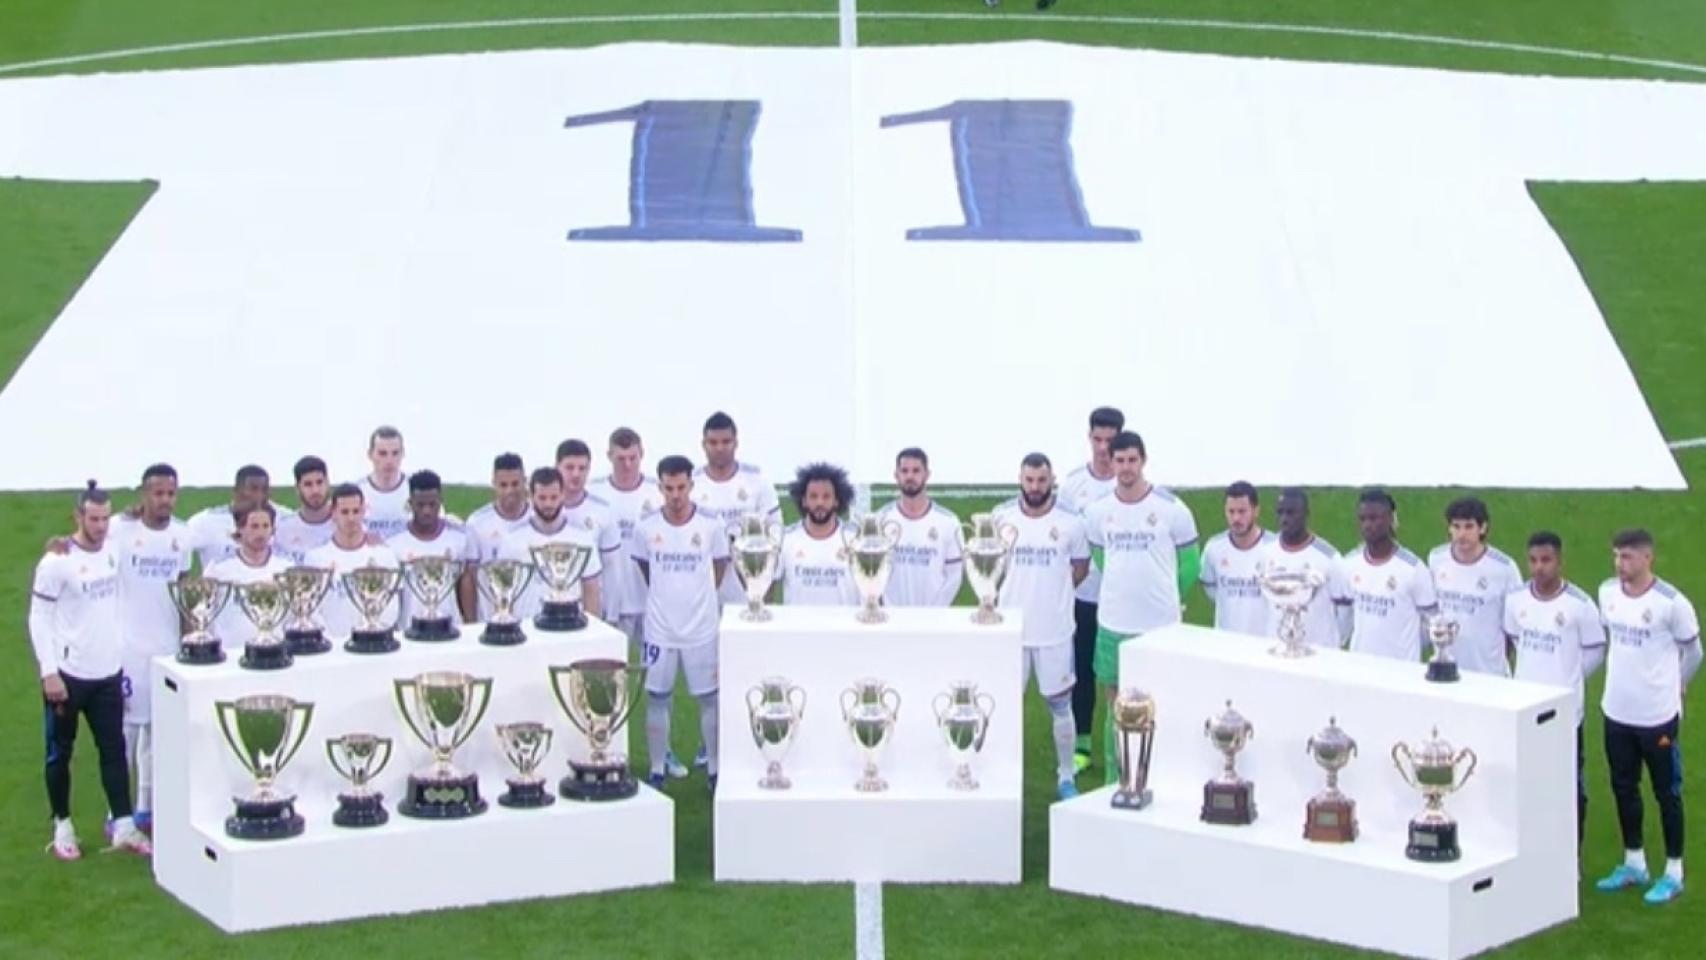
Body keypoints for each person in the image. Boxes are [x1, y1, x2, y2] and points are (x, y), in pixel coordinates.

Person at [30, 483, 152, 859]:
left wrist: (133, 510)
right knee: (59, 753)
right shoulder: (57, 562)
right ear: (77, 517)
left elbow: (127, 520)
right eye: (93, 519)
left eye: (104, 518)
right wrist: (48, 671)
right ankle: (63, 826)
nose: (100, 526)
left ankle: (124, 825)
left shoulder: (113, 547)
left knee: (114, 750)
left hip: (108, 674)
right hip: (68, 676)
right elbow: (39, 617)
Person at [1083, 431, 1198, 785]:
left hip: (1159, 625)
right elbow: (1101, 558)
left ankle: (1160, 770)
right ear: (1111, 462)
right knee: (1115, 701)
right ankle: (1115, 776)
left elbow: (1190, 563)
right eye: (1120, 460)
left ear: (1143, 461)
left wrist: (1167, 596)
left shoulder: (1171, 509)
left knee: (1160, 700)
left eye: (1132, 460)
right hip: (1114, 621)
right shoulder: (1099, 511)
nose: (1126, 467)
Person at [1593, 529, 1700, 905]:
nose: (1620, 564)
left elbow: (1694, 652)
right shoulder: (1607, 593)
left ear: (1647, 558)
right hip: (1617, 711)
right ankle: (1634, 861)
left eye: (1627, 557)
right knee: (1624, 787)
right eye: (1617, 556)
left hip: (1657, 716)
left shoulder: (1671, 603)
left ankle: (1673, 871)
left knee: (1666, 792)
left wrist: (1677, 686)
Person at [992, 453, 1089, 799]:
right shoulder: (1000, 517)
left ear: (1052, 481)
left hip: (1054, 632)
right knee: (1003, 703)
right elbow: (992, 569)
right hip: (1011, 631)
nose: (1035, 487)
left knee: (1060, 704)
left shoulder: (1071, 523)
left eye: (1042, 481)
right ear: (1020, 479)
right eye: (1030, 480)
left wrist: (1055, 598)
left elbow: (1080, 567)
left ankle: (1066, 776)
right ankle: (1000, 771)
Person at [633, 456, 729, 793]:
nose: (675, 495)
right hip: (660, 629)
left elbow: (719, 565)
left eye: (681, 487)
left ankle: (715, 768)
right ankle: (658, 767)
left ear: (691, 485)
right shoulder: (645, 528)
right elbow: (646, 569)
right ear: (659, 487)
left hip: (702, 628)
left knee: (709, 699)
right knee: (657, 698)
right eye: (668, 488)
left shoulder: (711, 526)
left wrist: (698, 600)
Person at [1503, 531, 1604, 849]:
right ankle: (1530, 844)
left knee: (1569, 784)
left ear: (1559, 561)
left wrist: (1568, 679)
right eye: (1533, 561)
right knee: (1526, 780)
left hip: (1564, 713)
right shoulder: (1516, 599)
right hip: (1524, 708)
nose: (1539, 567)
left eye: (1546, 560)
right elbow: (1515, 639)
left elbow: (1595, 650)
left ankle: (1571, 853)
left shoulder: (1579, 604)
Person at [111, 464, 191, 833]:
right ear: (144, 494)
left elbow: (186, 590)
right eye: (158, 493)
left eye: (170, 493)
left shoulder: (181, 535)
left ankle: (146, 807)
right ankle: (118, 812)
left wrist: (189, 641)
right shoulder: (120, 530)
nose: (165, 500)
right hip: (128, 651)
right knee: (125, 731)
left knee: (159, 734)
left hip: (167, 649)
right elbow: (88, 541)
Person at [1060, 406, 1123, 772]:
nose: (1102, 448)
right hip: (1084, 594)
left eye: (1109, 440)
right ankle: (1082, 744)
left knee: (1119, 676)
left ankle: (1125, 742)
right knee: (1082, 669)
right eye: (1097, 439)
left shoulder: (1129, 483)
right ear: (1089, 438)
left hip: (1121, 599)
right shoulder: (1073, 486)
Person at [1333, 489, 1438, 663]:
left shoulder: (1413, 568)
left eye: (1374, 518)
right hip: (1360, 666)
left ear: (1390, 519)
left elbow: (1431, 623)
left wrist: (1406, 644)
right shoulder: (1349, 564)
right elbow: (1345, 617)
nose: (1367, 524)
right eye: (1363, 519)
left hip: (1401, 669)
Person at [693, 411, 780, 605]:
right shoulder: (693, 484)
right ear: (703, 445)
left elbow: (775, 537)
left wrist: (768, 585)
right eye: (713, 443)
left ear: (736, 443)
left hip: (749, 584)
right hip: (705, 589)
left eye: (726, 442)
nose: (720, 448)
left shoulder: (757, 481)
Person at [1429, 497, 1522, 676]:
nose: (1462, 534)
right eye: (1456, 526)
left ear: (1483, 528)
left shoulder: (1504, 568)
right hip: (1448, 669)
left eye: (1469, 526)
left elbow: (1514, 625)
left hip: (1488, 672)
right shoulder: (1436, 559)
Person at [498, 468, 604, 622]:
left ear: (562, 495)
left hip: (570, 627)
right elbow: (505, 591)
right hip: (527, 628)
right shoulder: (512, 540)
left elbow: (591, 589)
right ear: (531, 497)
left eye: (554, 497)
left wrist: (592, 629)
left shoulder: (582, 539)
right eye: (542, 498)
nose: (548, 504)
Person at [304, 484, 401, 644]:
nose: (351, 518)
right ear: (333, 513)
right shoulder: (315, 558)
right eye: (344, 512)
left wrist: (374, 631)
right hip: (333, 646)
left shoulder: (384, 555)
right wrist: (330, 639)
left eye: (356, 511)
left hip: (375, 641)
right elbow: (312, 608)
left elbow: (392, 604)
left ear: (364, 512)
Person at [589, 427, 661, 645]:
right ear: (609, 456)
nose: (628, 465)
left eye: (633, 458)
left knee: (652, 670)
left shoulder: (657, 492)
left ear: (642, 454)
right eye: (621, 459)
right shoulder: (594, 492)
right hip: (612, 602)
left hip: (650, 601)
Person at [1258, 488, 1348, 648]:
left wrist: (1333, 643)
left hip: (1317, 651)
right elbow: (1264, 603)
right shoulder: (1266, 553)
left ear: (1306, 514)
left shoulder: (1329, 558)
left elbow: (1345, 610)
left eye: (1291, 513)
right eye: (1280, 512)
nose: (1284, 519)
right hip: (1276, 648)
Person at [386, 471, 476, 629]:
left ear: (440, 502)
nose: (426, 511)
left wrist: (471, 624)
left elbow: (466, 581)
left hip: (451, 626)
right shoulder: (393, 543)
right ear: (410, 503)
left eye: (432, 504)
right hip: (409, 628)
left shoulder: (459, 537)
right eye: (420, 505)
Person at [877, 447, 962, 607]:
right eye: (904, 471)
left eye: (916, 471)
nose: (910, 476)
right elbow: (872, 573)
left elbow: (954, 575)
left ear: (927, 474)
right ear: (896, 475)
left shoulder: (948, 522)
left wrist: (936, 610)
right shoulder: (881, 520)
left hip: (933, 620)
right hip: (892, 618)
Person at [206, 503, 293, 650]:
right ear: (240, 528)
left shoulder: (286, 568)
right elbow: (206, 615)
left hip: (275, 652)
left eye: (266, 526)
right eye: (254, 526)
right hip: (232, 654)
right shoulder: (218, 569)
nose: (261, 533)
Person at [774, 462, 859, 607]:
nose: (820, 502)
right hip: (798, 628)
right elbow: (768, 585)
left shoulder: (855, 539)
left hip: (844, 627)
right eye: (813, 496)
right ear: (804, 501)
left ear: (837, 501)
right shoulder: (785, 539)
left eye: (826, 497)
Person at [462, 452, 532, 622]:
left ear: (525, 481)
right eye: (503, 485)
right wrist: (471, 622)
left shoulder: (537, 518)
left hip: (530, 619)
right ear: (493, 484)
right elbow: (469, 577)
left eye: (515, 484)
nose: (510, 491)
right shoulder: (477, 523)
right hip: (490, 620)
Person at [1199, 481, 1274, 636]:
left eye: (1242, 511)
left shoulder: (1274, 548)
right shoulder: (1214, 548)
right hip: (1226, 642)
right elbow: (1210, 588)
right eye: (1231, 512)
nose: (1236, 518)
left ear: (1256, 511)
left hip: (1265, 641)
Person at [556, 438, 623, 601]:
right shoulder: (540, 509)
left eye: (582, 468)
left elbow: (611, 568)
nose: (576, 474)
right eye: (570, 468)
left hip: (587, 605)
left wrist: (611, 615)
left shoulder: (603, 511)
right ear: (557, 467)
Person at [186, 464, 288, 571]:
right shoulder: (205, 522)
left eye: (264, 490)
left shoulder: (285, 519)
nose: (259, 496)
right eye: (253, 489)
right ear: (236, 491)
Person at [275, 455, 335, 564]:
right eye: (308, 484)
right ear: (297, 489)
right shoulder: (283, 529)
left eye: (319, 482)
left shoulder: (345, 524)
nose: (315, 490)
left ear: (328, 483)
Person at [357, 425, 410, 542]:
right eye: (382, 454)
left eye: (395, 453)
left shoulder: (415, 488)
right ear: (370, 454)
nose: (389, 461)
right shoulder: (358, 491)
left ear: (403, 454)